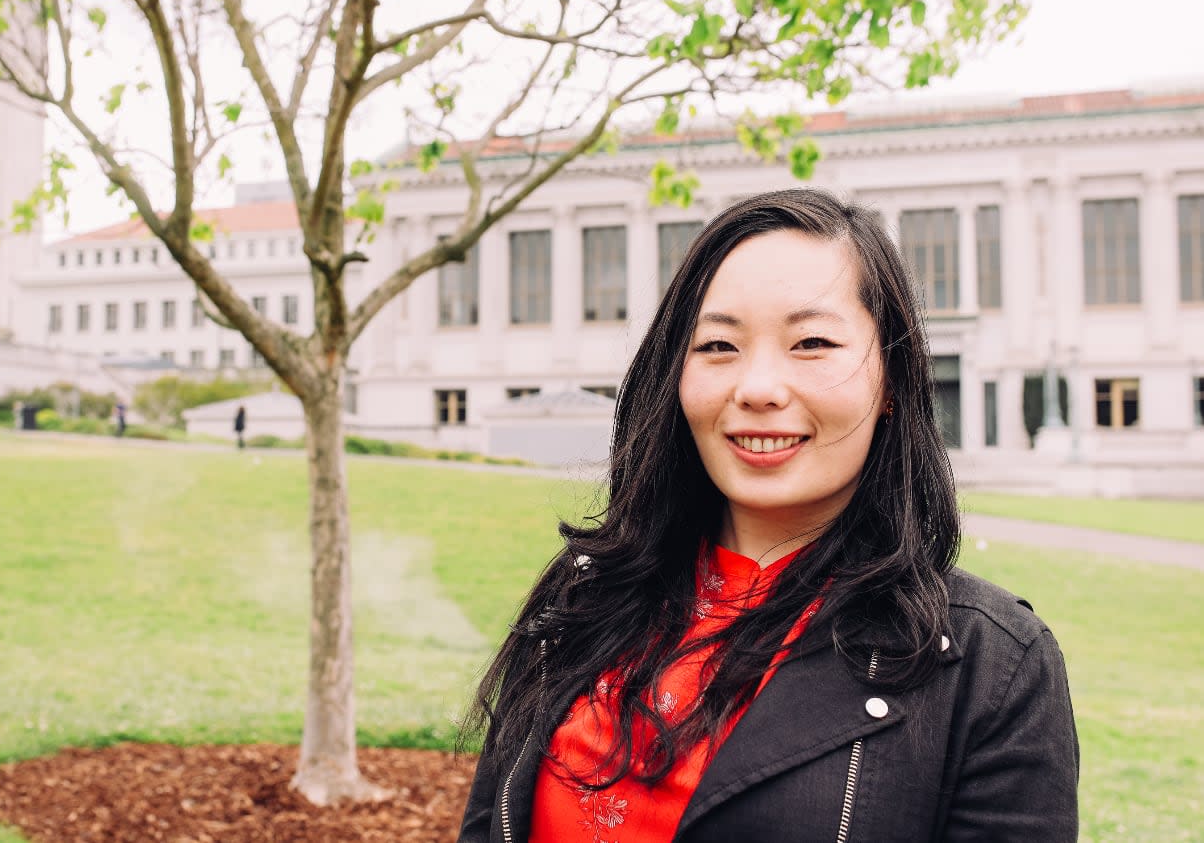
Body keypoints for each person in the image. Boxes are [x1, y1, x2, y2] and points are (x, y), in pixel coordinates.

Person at [458, 189, 1079, 842]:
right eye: (719, 345)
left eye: (811, 342)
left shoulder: (991, 663)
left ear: (890, 380)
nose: (756, 388)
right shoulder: (583, 601)